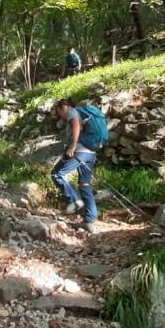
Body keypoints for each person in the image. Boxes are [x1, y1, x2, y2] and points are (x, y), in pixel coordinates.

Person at [51, 98, 98, 234]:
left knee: (56, 174)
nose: (61, 116)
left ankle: (75, 200)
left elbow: (76, 124)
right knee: (84, 184)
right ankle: (89, 221)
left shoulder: (72, 112)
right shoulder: (81, 113)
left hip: (79, 152)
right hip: (90, 153)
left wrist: (72, 146)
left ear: (62, 108)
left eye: (59, 112)